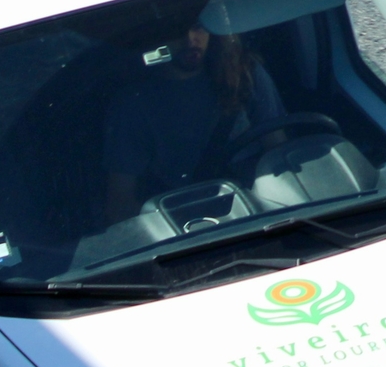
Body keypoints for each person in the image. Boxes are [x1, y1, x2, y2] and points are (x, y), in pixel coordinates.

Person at [103, 23, 286, 221]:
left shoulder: (242, 74)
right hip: (188, 229)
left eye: (199, 28)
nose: (191, 40)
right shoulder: (134, 104)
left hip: (261, 215)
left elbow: (280, 156)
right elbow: (120, 203)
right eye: (177, 31)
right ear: (155, 37)